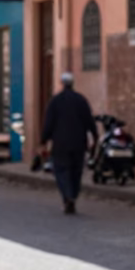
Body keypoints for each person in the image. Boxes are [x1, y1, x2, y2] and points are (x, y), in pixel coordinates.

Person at [40, 72, 97, 214]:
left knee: (61, 171)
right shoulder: (81, 100)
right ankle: (73, 196)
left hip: (60, 144)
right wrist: (95, 137)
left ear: (62, 83)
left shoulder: (55, 101)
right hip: (79, 143)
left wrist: (43, 141)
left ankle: (68, 196)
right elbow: (89, 121)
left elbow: (48, 123)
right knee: (76, 172)